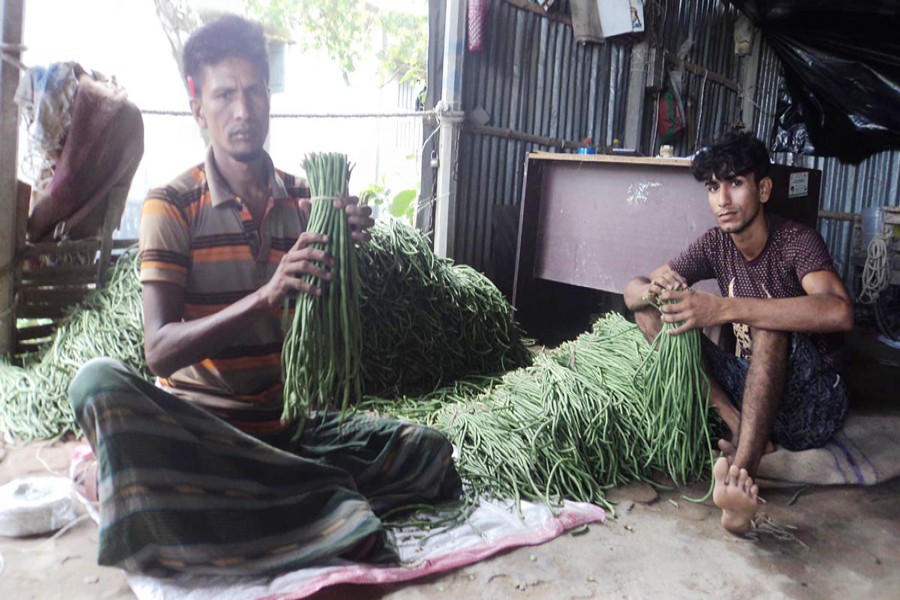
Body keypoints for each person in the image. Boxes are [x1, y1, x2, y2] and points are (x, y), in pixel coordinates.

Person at [69, 14, 462, 575]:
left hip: (286, 431)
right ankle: (315, 504)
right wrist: (266, 294)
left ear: (269, 96)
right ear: (196, 104)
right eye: (224, 94)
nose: (243, 110)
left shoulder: (307, 202)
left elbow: (325, 332)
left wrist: (348, 253)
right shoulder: (172, 205)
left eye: (255, 91)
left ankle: (249, 501)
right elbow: (158, 350)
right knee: (97, 380)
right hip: (201, 434)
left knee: (429, 453)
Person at [623, 132, 853, 534]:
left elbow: (839, 310)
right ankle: (737, 425)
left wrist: (724, 308)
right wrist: (653, 290)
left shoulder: (796, 243)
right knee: (651, 314)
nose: (723, 200)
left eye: (735, 183)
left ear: (763, 189)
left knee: (770, 323)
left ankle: (741, 480)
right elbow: (632, 292)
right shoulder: (716, 244)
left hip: (813, 401)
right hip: (754, 393)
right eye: (713, 187)